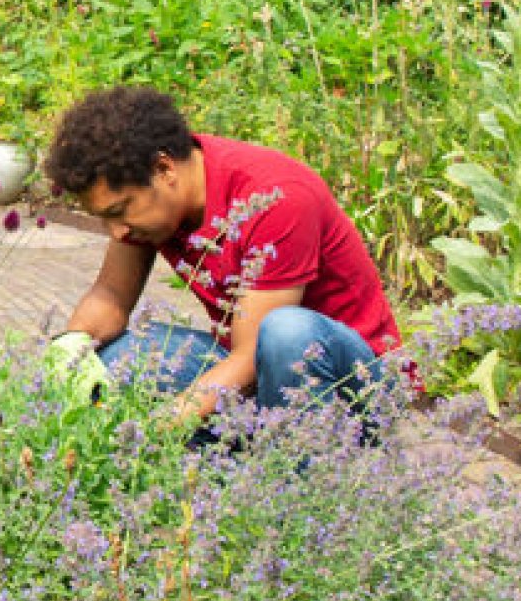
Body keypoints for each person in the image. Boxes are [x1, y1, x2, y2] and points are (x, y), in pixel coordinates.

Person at [40, 86, 402, 434]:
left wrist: (153, 432)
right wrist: (68, 358)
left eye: (119, 212)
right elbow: (110, 297)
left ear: (164, 169)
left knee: (286, 332)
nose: (116, 232)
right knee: (116, 358)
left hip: (356, 388)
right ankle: (247, 455)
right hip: (256, 378)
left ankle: (305, 482)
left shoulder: (274, 198)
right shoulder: (146, 206)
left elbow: (250, 357)